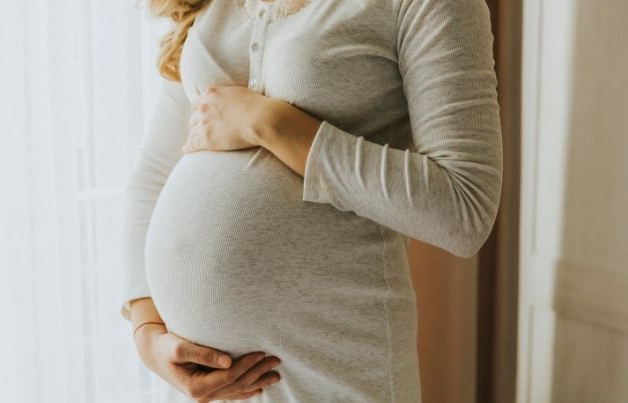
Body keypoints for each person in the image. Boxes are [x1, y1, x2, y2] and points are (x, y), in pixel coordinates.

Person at [121, 0, 503, 401]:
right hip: (200, 386)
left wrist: (272, 125)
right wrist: (147, 332)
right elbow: (152, 176)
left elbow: (465, 209)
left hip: (330, 373)